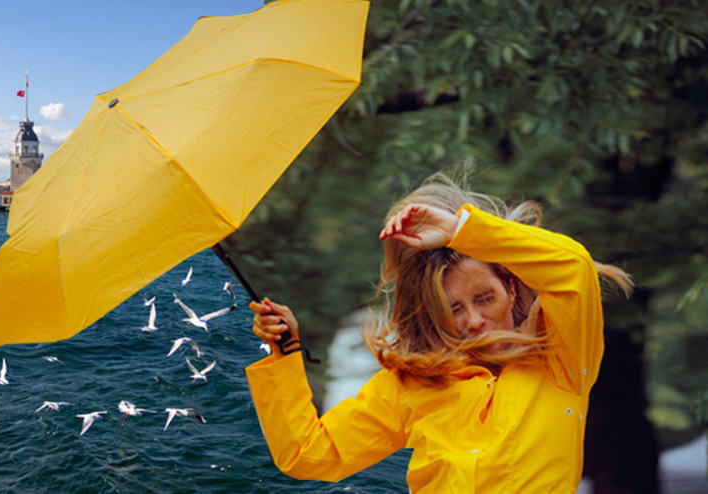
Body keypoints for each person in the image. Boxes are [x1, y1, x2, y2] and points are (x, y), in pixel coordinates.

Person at [245, 171, 632, 492]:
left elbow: (573, 269)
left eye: (484, 298)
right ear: (433, 315)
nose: (474, 321)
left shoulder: (562, 358)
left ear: (511, 288)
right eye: (454, 309)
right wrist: (285, 350)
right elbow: (308, 454)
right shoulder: (409, 386)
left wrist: (463, 230)